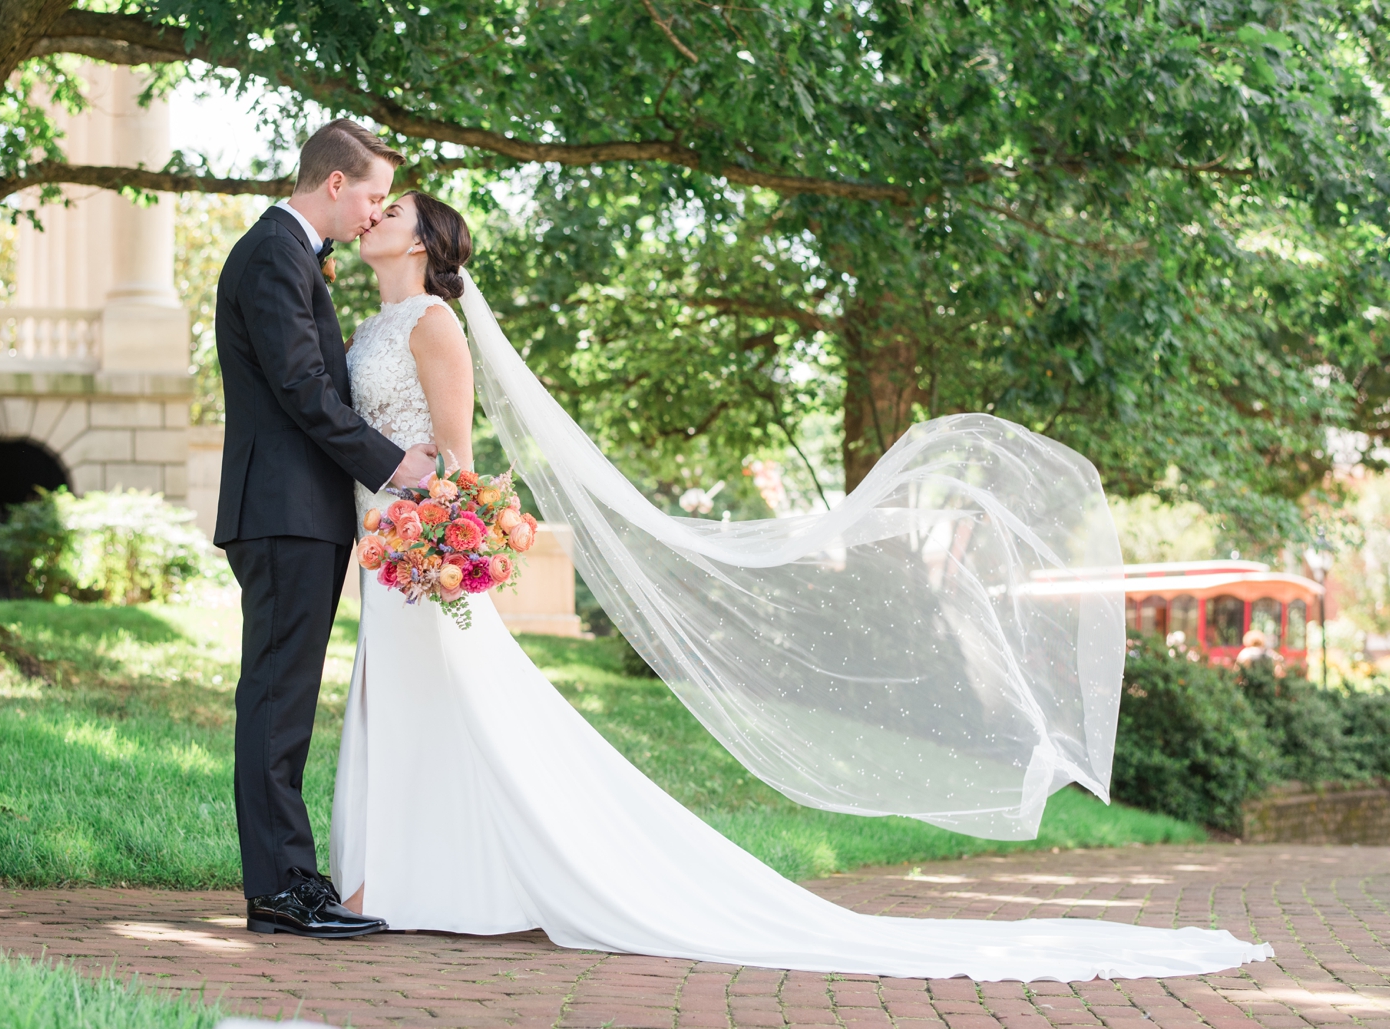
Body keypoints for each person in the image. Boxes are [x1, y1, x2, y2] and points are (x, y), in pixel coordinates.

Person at [327, 190, 1274, 980]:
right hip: (393, 545)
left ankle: (421, 883)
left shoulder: (436, 321)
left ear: (423, 240)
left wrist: (430, 529)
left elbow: (456, 454)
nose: (375, 213)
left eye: (393, 208)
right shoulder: (374, 317)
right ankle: (403, 881)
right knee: (410, 706)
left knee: (445, 706)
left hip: (423, 550)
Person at [213, 120, 438, 939]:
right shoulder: (276, 251)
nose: (376, 213)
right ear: (335, 183)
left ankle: (287, 880)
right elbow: (306, 389)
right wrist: (395, 467)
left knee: (285, 701)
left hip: (296, 514)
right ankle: (280, 889)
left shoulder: (290, 253)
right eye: (374, 195)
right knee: (277, 703)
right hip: (282, 515)